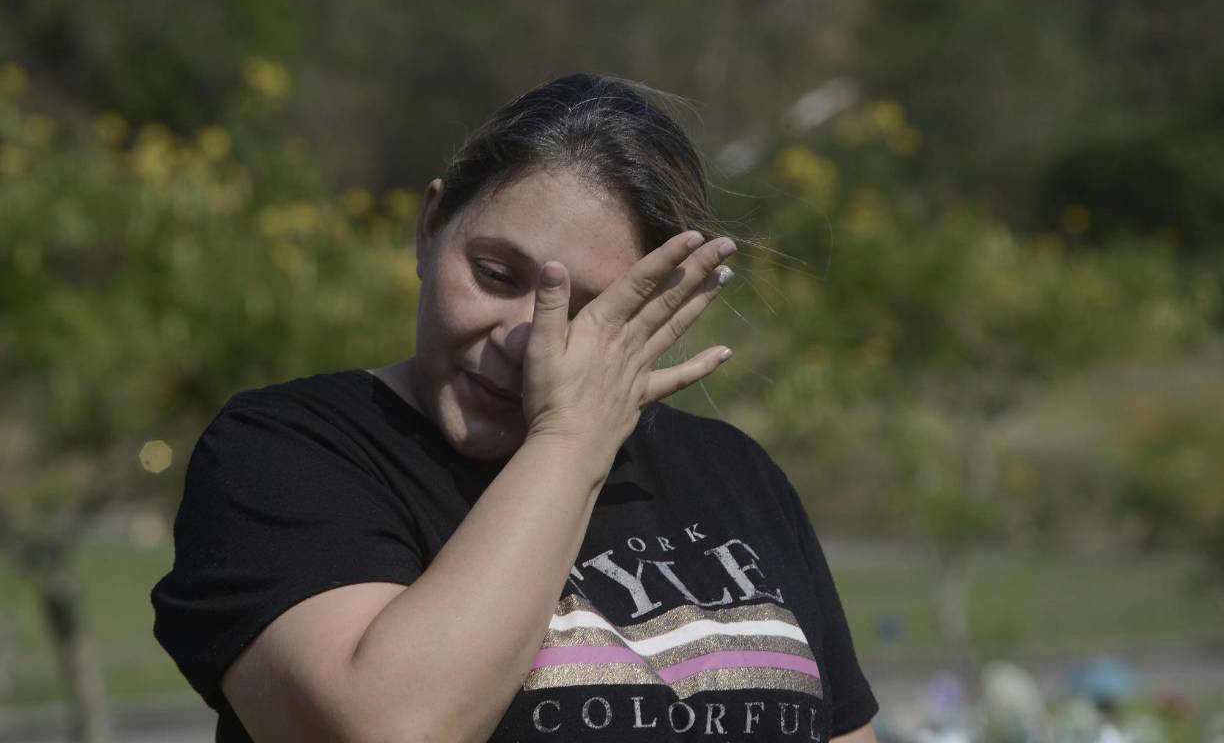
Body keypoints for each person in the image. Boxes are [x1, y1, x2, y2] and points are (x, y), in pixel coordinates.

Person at [151, 73, 879, 742]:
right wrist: (568, 443)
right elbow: (387, 726)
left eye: (586, 310)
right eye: (497, 274)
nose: (522, 338)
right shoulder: (288, 452)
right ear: (430, 227)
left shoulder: (734, 473)